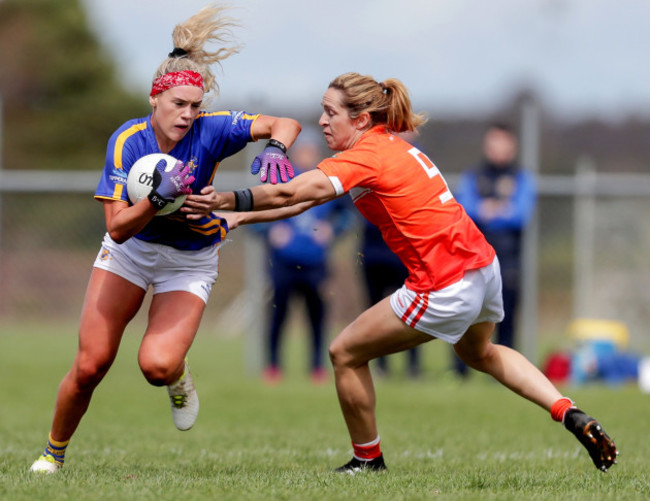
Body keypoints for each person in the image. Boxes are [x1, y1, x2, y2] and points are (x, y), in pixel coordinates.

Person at [212, 72, 618, 474]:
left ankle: (367, 461)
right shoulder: (389, 146)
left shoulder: (366, 155)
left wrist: (224, 198)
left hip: (444, 282)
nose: (321, 121)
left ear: (360, 120)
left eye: (329, 112)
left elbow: (291, 191)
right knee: (481, 353)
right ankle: (570, 413)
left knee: (344, 353)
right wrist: (239, 216)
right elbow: (302, 202)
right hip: (481, 265)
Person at [29, 5, 301, 474]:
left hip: (190, 259)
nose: (188, 114)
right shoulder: (128, 140)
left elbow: (285, 123)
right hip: (130, 253)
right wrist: (159, 198)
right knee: (91, 365)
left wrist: (276, 147)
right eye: (179, 104)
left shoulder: (212, 129)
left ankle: (178, 376)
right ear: (155, 99)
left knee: (155, 365)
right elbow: (116, 228)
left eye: (196, 106)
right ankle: (53, 454)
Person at [254, 128, 355, 385]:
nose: (306, 155)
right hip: (283, 263)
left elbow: (349, 215)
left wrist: (333, 229)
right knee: (278, 315)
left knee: (317, 317)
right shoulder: (278, 178)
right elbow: (254, 215)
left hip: (316, 264)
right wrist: (270, 229)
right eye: (302, 150)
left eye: (310, 150)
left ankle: (317, 367)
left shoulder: (327, 179)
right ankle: (273, 366)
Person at [451, 122, 536, 377]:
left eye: (503, 143)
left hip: (509, 261)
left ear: (512, 146)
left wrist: (489, 210)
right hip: (472, 262)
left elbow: (520, 215)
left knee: (507, 322)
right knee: (462, 317)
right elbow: (465, 210)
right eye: (494, 143)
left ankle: (507, 376)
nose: (498, 148)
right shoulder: (472, 177)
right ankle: (458, 374)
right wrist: (496, 209)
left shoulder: (522, 178)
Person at [360, 220, 420, 378]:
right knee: (375, 315)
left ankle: (413, 365)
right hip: (374, 259)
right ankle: (381, 366)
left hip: (401, 259)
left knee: (412, 311)